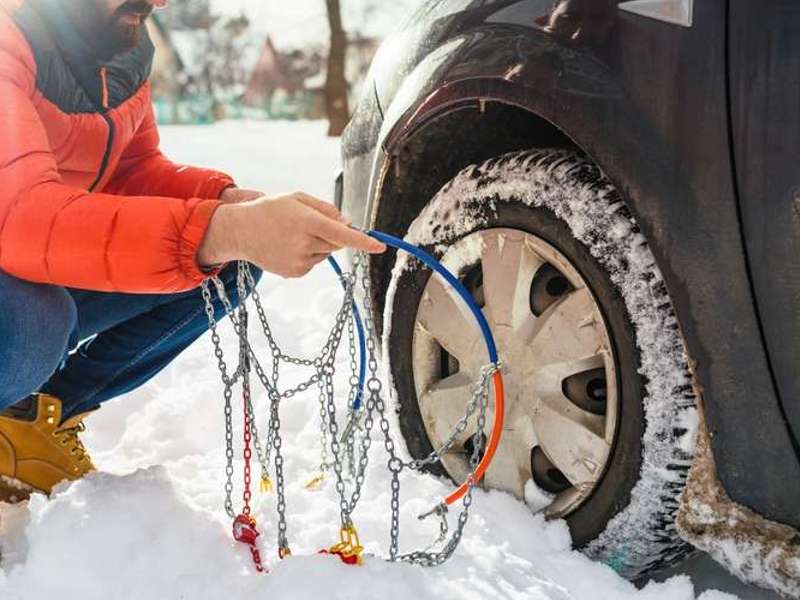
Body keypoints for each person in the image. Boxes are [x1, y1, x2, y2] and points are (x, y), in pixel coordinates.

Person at [0, 0, 385, 502]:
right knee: (36, 325)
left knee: (229, 266)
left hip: (32, 257)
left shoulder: (121, 54)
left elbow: (129, 172)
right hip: (20, 255)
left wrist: (225, 204)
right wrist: (219, 228)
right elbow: (23, 216)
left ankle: (29, 419)